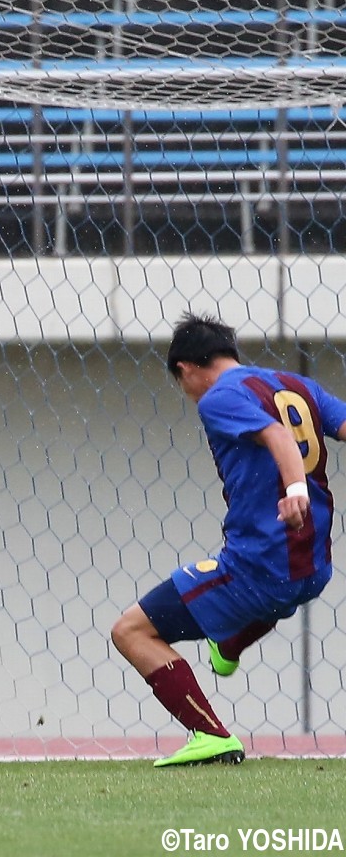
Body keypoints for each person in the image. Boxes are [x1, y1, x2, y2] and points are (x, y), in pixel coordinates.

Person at [112, 312, 346, 767]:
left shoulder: (218, 398)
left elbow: (277, 436)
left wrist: (295, 490)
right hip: (314, 570)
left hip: (257, 568)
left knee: (130, 630)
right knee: (273, 599)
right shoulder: (294, 383)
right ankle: (230, 643)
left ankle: (210, 733)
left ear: (185, 369)